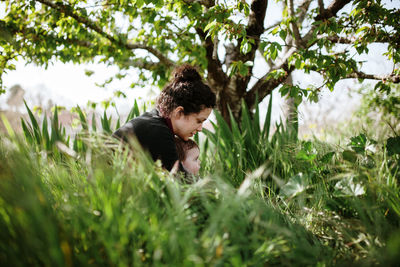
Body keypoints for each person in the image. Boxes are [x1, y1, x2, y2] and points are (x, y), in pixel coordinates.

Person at [112, 64, 216, 171]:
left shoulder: (154, 122)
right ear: (179, 112)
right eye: (199, 121)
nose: (200, 128)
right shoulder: (158, 131)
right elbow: (180, 179)